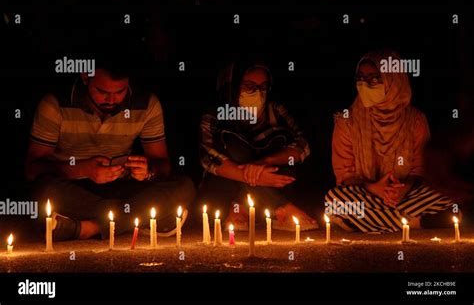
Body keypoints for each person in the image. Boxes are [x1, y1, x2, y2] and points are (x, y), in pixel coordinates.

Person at [26, 60, 195, 241]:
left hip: (122, 188)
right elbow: (32, 169)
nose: (112, 100)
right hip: (75, 191)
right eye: (102, 92)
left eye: (120, 91)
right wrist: (83, 169)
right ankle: (138, 219)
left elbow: (162, 165)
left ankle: (90, 228)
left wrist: (148, 172)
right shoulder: (55, 104)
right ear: (85, 77)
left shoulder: (146, 104)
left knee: (184, 187)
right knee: (43, 192)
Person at [325, 50, 455, 233]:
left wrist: (403, 189)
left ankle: (367, 221)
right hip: (364, 193)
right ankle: (414, 222)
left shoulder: (416, 120)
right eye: (360, 78)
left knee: (448, 195)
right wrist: (374, 188)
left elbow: (420, 170)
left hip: (405, 195)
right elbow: (345, 176)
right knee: (334, 200)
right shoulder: (347, 121)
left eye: (374, 78)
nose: (364, 84)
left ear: (394, 79)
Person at [199, 58, 318, 231]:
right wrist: (255, 177)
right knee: (233, 147)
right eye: (249, 86)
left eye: (263, 87)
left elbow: (303, 145)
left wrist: (263, 163)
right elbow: (207, 156)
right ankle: (282, 208)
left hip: (272, 177)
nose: (258, 92)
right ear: (232, 85)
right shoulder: (216, 115)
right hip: (228, 184)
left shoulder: (275, 110)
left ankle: (240, 207)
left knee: (286, 174)